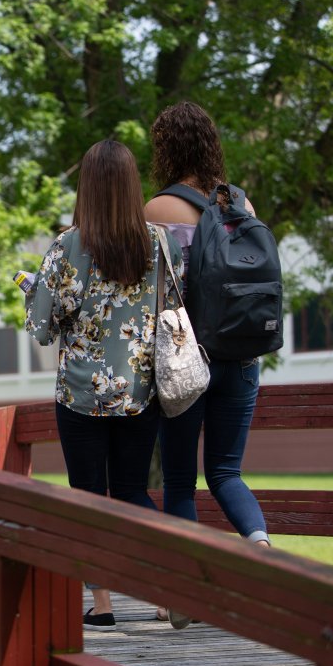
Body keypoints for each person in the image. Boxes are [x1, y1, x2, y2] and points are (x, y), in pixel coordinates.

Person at [25, 139, 182, 632]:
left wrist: (33, 290)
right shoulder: (159, 241)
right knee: (134, 491)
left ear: (87, 188)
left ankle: (104, 604)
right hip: (141, 390)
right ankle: (169, 588)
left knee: (88, 494)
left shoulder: (68, 245)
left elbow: (42, 327)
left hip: (81, 394)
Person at [144, 102, 272, 627]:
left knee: (179, 480)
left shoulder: (158, 211)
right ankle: (262, 552)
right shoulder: (241, 204)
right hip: (241, 358)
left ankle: (185, 595)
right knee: (226, 472)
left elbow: (144, 292)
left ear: (165, 150)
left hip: (185, 363)